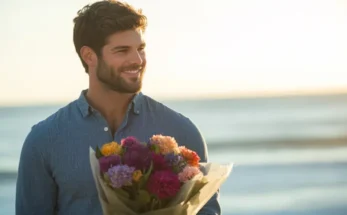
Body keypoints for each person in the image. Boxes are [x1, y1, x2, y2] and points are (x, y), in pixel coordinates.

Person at [15, 0, 221, 214]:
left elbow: (207, 210)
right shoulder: (44, 140)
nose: (137, 60)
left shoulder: (181, 131)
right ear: (89, 56)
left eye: (140, 48)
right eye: (122, 51)